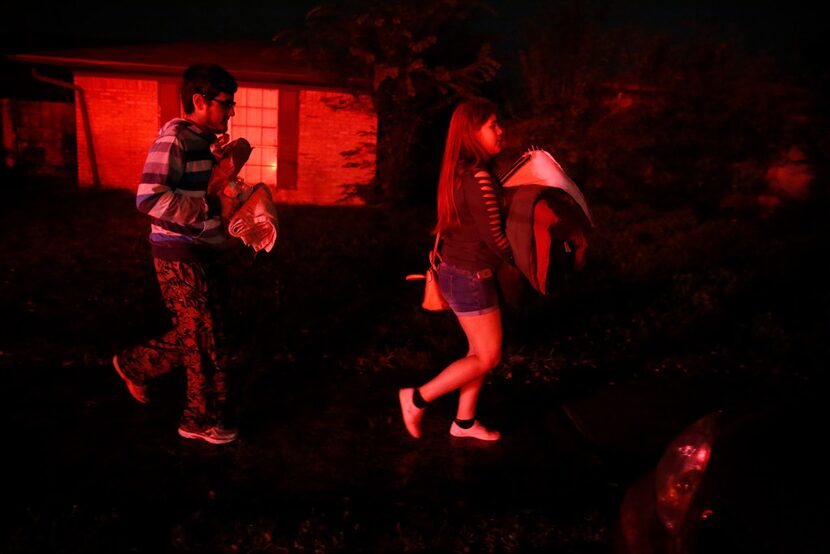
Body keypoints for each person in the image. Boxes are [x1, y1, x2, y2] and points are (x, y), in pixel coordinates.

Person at [112, 63, 242, 445]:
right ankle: (200, 421)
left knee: (209, 330)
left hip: (201, 248)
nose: (231, 111)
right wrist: (213, 209)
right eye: (226, 103)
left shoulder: (203, 141)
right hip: (175, 252)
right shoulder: (174, 140)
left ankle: (135, 364)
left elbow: (208, 191)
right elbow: (149, 198)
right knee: (204, 337)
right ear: (199, 101)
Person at [399, 98, 513, 442]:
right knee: (489, 356)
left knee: (476, 353)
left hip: (459, 271)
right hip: (471, 276)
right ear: (471, 132)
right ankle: (417, 398)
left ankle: (464, 423)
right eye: (492, 124)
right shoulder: (479, 178)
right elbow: (497, 239)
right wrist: (529, 264)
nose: (500, 130)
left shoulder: (460, 173)